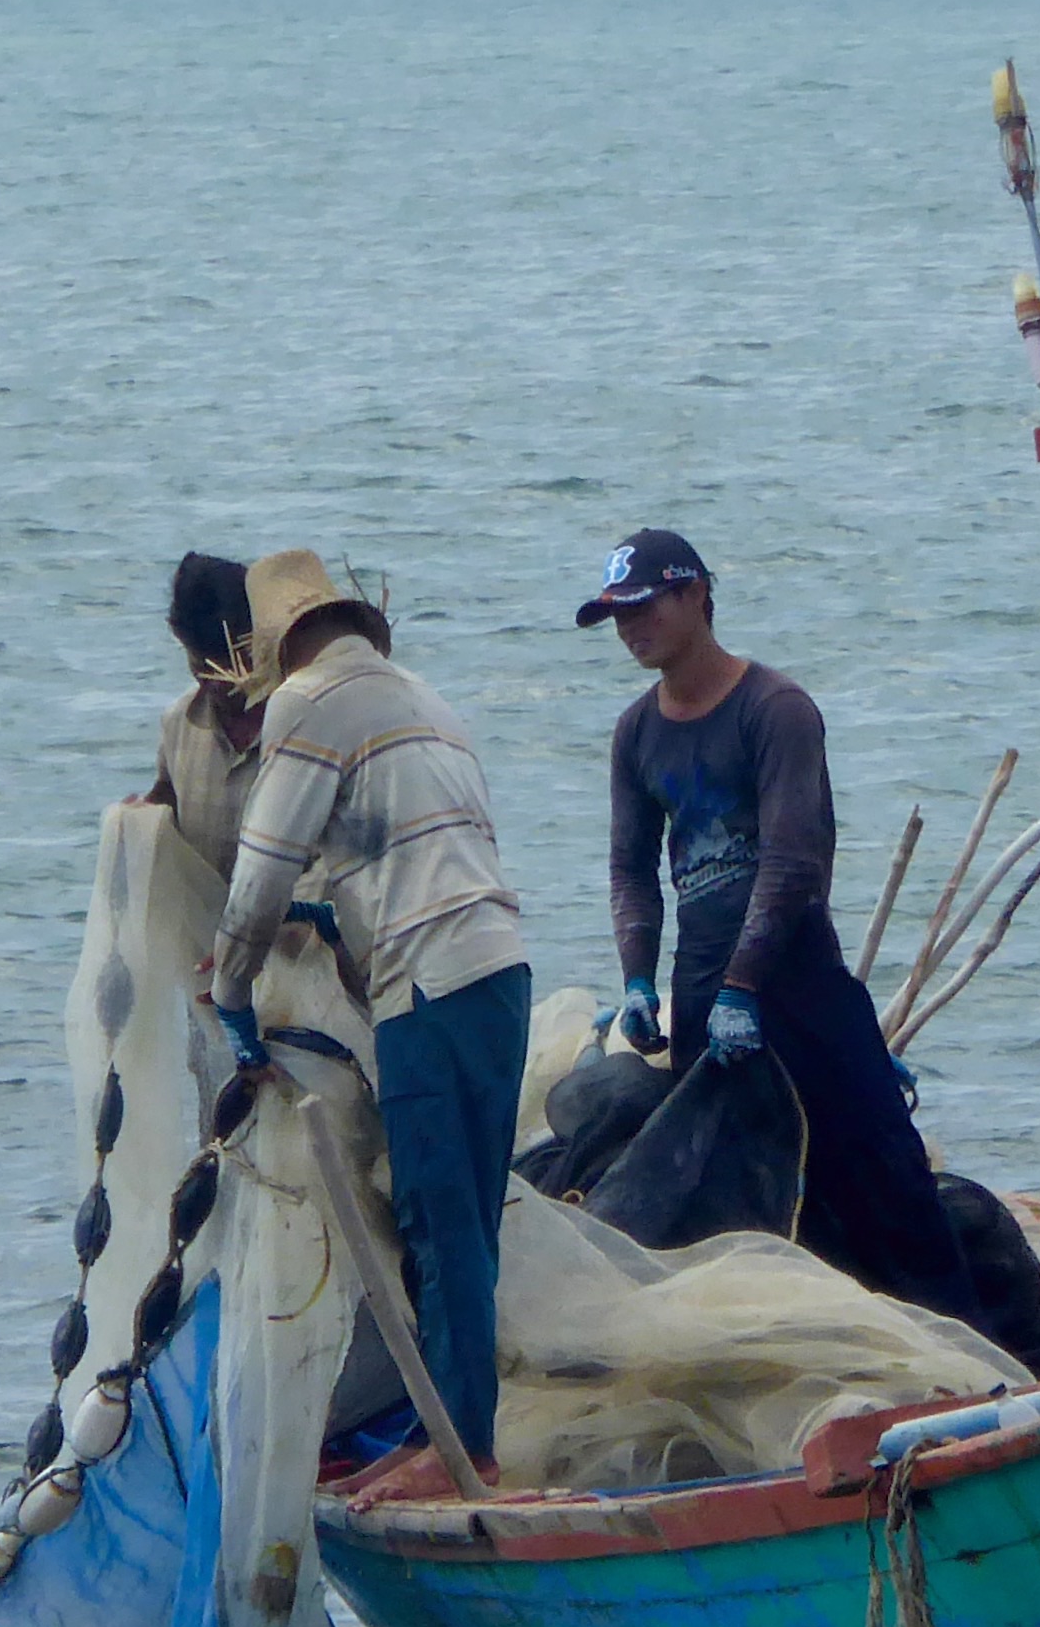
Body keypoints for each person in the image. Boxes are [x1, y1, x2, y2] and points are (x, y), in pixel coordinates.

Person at [581, 526, 984, 1321]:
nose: (630, 626)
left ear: (696, 593)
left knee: (882, 1178)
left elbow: (794, 860)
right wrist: (637, 979)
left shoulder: (776, 709)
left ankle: (970, 1351)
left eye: (643, 604)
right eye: (615, 615)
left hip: (796, 985)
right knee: (740, 1202)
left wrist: (746, 986)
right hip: (702, 1002)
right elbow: (632, 867)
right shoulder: (635, 731)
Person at [209, 548, 534, 1474]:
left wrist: (234, 999)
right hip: (499, 969)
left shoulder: (306, 703)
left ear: (285, 649)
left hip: (428, 984)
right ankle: (464, 1429)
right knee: (470, 1216)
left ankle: (461, 1448)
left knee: (436, 1221)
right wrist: (321, 913)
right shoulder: (428, 704)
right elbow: (397, 854)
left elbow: (259, 872)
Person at [139, 551, 266, 883]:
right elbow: (167, 804)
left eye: (230, 666)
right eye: (200, 666)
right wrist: (135, 820)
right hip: (206, 928)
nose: (214, 683)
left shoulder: (310, 724)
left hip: (306, 926)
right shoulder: (179, 724)